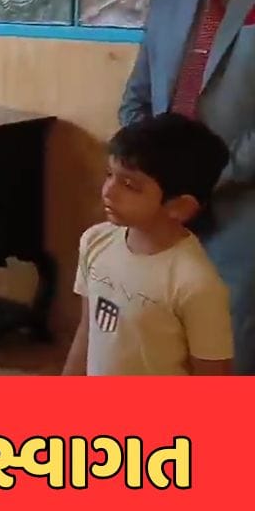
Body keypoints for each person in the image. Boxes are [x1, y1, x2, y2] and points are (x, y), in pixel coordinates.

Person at [118, 0, 255, 374]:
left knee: (229, 355)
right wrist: (146, 178)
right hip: (160, 211)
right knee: (157, 350)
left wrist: (203, 180)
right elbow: (137, 97)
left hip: (242, 212)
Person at [64, 113, 233, 375]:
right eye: (109, 174)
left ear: (180, 206)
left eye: (129, 184)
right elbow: (87, 330)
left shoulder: (196, 284)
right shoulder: (95, 241)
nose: (108, 190)